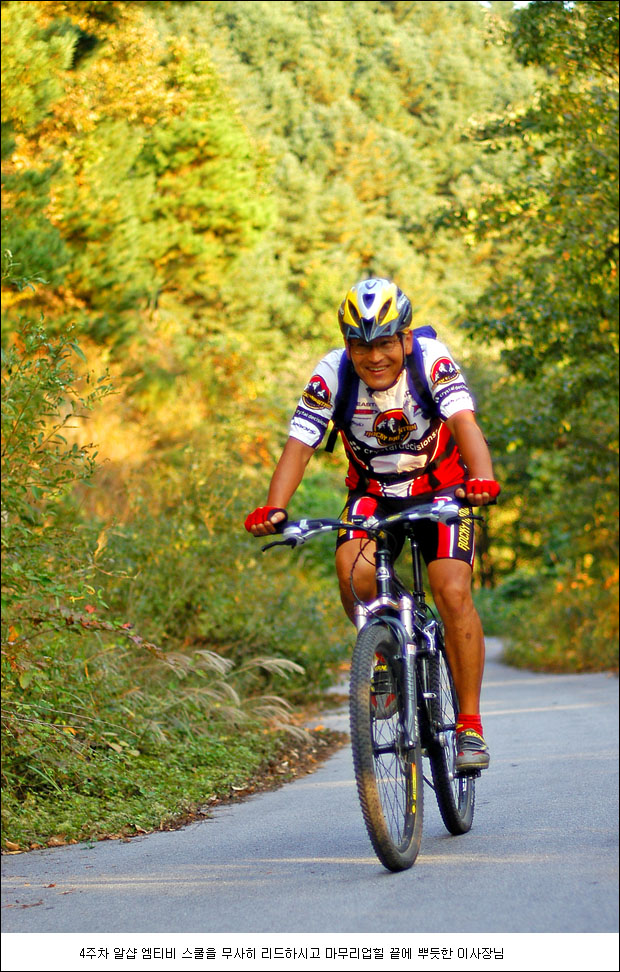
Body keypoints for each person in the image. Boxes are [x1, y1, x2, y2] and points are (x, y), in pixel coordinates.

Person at [245, 278, 500, 772]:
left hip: (444, 487)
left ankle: (469, 725)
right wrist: (275, 507)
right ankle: (386, 651)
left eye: (384, 343)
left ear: (404, 338)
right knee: (352, 573)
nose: (374, 357)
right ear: (347, 345)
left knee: (452, 591)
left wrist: (482, 478)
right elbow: (299, 446)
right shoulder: (332, 374)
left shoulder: (430, 359)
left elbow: (464, 423)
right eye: (361, 346)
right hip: (372, 493)